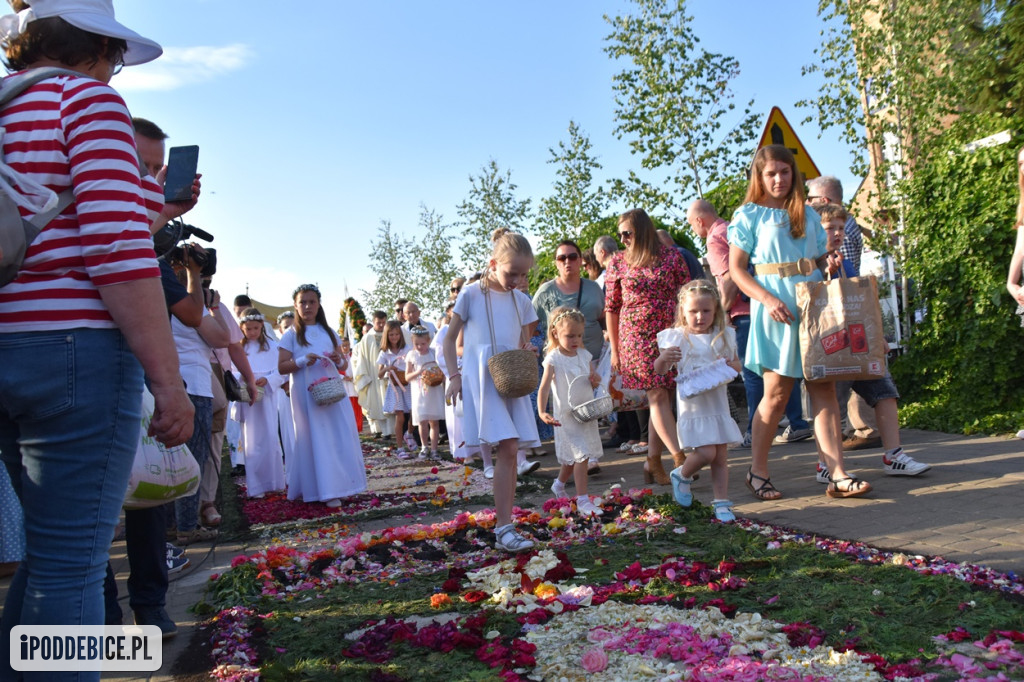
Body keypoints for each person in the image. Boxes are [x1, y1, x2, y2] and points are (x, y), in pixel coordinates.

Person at [0, 2, 194, 674]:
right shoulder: (86, 102)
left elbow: (46, 210)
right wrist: (167, 381)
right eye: (114, 56)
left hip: (7, 344)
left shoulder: (7, 104)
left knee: (50, 559)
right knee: (73, 570)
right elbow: (115, 249)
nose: (115, 71)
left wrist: (162, 209)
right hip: (75, 352)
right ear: (99, 45)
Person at [728, 144, 871, 500]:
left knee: (823, 389)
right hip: (775, 308)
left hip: (812, 306)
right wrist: (766, 298)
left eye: (784, 172)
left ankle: (837, 474)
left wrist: (828, 265)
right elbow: (736, 270)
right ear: (759, 177)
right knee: (776, 395)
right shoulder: (748, 215)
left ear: (795, 174)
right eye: (771, 173)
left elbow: (817, 257)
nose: (778, 179)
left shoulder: (807, 214)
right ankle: (757, 472)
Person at [813, 205, 930, 481]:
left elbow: (864, 302)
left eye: (841, 228)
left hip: (859, 343)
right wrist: (824, 272)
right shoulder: (809, 264)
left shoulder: (846, 262)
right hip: (829, 348)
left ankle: (894, 455)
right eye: (831, 228)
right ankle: (825, 465)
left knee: (885, 392)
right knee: (829, 408)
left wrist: (879, 336)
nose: (838, 233)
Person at [444, 228, 540, 553]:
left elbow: (523, 341)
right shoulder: (471, 294)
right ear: (493, 263)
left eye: (523, 274)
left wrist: (529, 349)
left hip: (509, 379)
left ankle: (505, 524)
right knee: (509, 448)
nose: (517, 280)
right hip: (483, 380)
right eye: (512, 272)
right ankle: (504, 527)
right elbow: (448, 339)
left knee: (511, 453)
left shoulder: (522, 301)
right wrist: (454, 376)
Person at [692, 198, 812, 447]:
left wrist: (721, 310)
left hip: (746, 312)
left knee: (753, 373)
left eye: (692, 225)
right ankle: (797, 423)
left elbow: (731, 279)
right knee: (784, 368)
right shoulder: (734, 228)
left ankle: (752, 432)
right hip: (773, 302)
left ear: (699, 221)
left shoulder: (715, 240)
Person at [606, 209, 692, 485]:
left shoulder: (671, 256)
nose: (623, 239)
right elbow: (612, 307)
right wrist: (616, 351)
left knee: (663, 398)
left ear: (642, 230)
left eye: (627, 233)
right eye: (620, 235)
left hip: (668, 333)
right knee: (656, 395)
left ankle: (652, 462)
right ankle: (680, 457)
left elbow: (686, 293)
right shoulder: (618, 261)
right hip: (635, 336)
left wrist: (688, 332)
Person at [655, 280, 743, 521]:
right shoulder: (677, 337)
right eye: (694, 311)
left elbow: (737, 365)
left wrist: (727, 365)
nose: (700, 316)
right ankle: (682, 474)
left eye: (706, 311)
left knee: (721, 457)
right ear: (683, 311)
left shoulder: (723, 336)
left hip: (717, 403)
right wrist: (664, 358)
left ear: (715, 311)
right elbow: (660, 370)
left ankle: (722, 501)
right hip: (694, 406)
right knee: (706, 453)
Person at [278, 284, 367, 507]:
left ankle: (344, 484)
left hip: (332, 390)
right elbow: (281, 367)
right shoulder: (291, 335)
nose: (307, 306)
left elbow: (344, 362)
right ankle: (324, 490)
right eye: (303, 302)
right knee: (316, 438)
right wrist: (300, 361)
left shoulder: (328, 332)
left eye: (312, 302)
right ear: (296, 306)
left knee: (338, 435)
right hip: (307, 393)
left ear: (319, 304)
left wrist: (338, 361)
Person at [806, 176, 878, 450]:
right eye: (831, 228)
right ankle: (829, 452)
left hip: (842, 326)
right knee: (832, 395)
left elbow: (842, 283)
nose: (837, 233)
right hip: (836, 330)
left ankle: (859, 431)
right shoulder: (826, 249)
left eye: (811, 199)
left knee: (841, 390)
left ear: (823, 200)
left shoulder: (838, 244)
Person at [533, 240, 605, 471]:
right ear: (556, 262)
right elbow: (530, 322)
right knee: (568, 404)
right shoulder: (546, 291)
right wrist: (529, 343)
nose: (567, 261)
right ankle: (576, 458)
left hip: (590, 355)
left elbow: (604, 316)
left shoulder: (593, 287)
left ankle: (588, 456)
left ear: (580, 260)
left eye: (572, 256)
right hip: (561, 359)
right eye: (561, 258)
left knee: (588, 405)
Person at [537, 307, 603, 517]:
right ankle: (583, 499)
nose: (575, 340)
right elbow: (545, 386)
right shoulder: (554, 358)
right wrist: (541, 411)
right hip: (566, 415)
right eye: (570, 335)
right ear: (556, 333)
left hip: (585, 412)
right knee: (581, 454)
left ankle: (558, 484)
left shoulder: (584, 355)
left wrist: (595, 380)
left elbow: (593, 378)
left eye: (579, 335)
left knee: (572, 458)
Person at [236, 309, 286, 498]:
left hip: (267, 398)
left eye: (256, 328)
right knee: (251, 441)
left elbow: (281, 370)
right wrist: (243, 378)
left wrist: (268, 379)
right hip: (248, 400)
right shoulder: (238, 348)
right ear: (242, 328)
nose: (253, 332)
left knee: (271, 438)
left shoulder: (272, 346)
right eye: (248, 329)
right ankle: (256, 486)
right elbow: (230, 370)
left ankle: (274, 481)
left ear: (262, 327)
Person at [404, 327, 445, 459]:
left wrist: (438, 375)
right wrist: (418, 372)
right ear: (412, 342)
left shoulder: (434, 353)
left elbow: (442, 370)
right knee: (422, 420)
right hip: (419, 391)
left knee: (434, 421)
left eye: (423, 344)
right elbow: (407, 377)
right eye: (417, 344)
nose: (420, 347)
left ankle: (434, 449)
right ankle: (424, 446)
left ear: (428, 341)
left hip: (434, 389)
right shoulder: (411, 355)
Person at [352, 311, 393, 438]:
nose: (381, 325)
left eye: (383, 322)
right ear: (374, 322)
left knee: (390, 402)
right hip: (374, 376)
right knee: (377, 402)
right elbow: (362, 359)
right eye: (378, 323)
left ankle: (391, 431)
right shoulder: (367, 338)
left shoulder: (391, 334)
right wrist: (365, 377)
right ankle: (382, 431)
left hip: (390, 374)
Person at [378, 319, 414, 456]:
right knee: (400, 417)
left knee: (414, 414)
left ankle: (409, 433)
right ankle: (400, 447)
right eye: (391, 335)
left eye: (397, 334)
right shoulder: (384, 353)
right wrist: (388, 368)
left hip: (408, 384)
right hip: (395, 387)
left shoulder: (407, 349)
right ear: (386, 336)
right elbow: (379, 374)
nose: (394, 337)